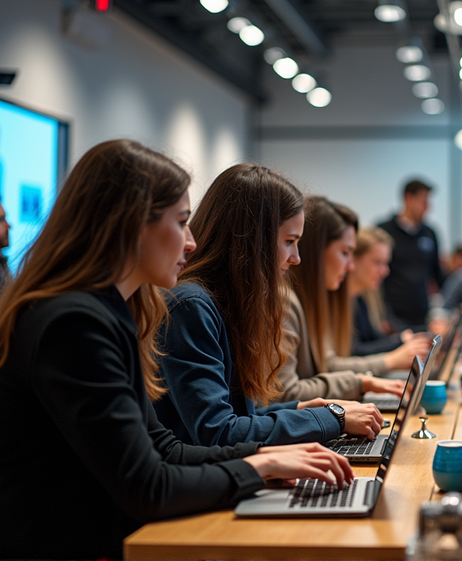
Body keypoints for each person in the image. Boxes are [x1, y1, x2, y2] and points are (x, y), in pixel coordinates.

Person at [0, 140, 354, 559]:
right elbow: (147, 487)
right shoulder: (73, 324)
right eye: (181, 222)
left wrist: (275, 457)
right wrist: (259, 467)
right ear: (130, 226)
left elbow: (166, 449)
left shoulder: (112, 312)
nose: (191, 242)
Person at [154, 165, 384, 447]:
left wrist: (303, 410)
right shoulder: (192, 306)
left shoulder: (229, 304)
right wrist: (329, 418)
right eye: (289, 242)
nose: (296, 258)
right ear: (252, 241)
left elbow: (241, 416)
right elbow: (219, 433)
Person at [283, 196, 422, 400]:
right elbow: (287, 394)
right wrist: (370, 376)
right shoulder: (287, 302)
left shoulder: (316, 300)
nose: (350, 266)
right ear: (316, 252)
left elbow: (327, 364)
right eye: (345, 253)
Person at [348, 227, 431, 359]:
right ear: (354, 260)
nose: (385, 271)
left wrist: (405, 339)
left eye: (385, 263)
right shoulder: (343, 301)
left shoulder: (361, 298)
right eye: (377, 262)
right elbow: (354, 351)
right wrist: (401, 342)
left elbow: (373, 339)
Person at [377, 179, 446, 329]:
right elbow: (375, 280)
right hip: (391, 319)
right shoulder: (383, 231)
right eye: (423, 202)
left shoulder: (429, 233)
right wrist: (383, 316)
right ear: (408, 199)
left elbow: (438, 276)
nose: (427, 207)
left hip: (422, 318)